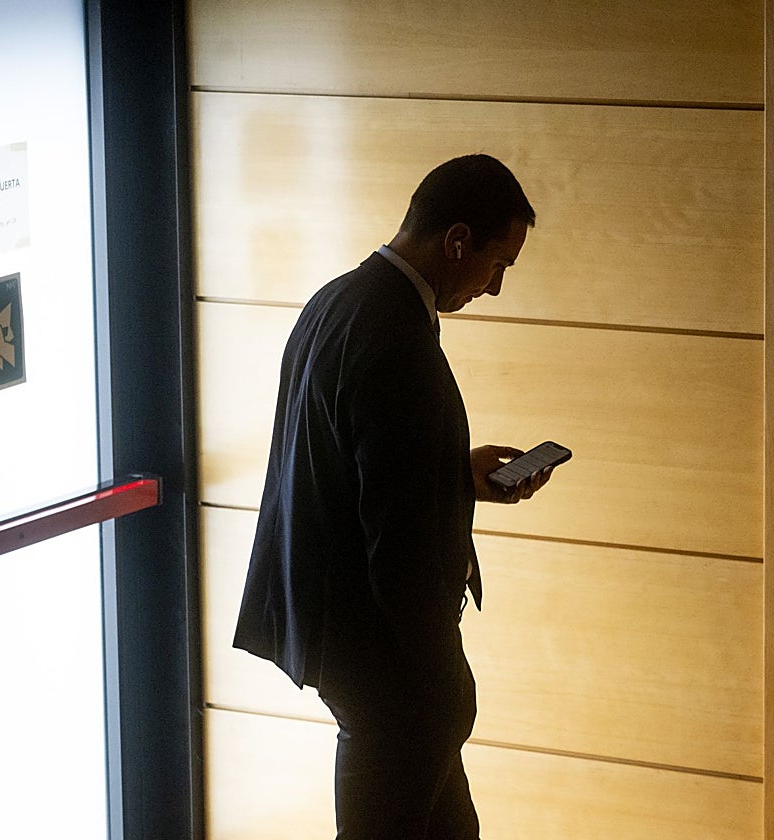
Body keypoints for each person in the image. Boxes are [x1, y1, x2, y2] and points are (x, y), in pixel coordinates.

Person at [233, 154, 554, 840]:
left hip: (343, 638)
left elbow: (352, 465)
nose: (494, 288)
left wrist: (455, 475)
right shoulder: (397, 338)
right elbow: (396, 542)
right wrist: (439, 673)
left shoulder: (341, 300)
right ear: (458, 239)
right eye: (499, 265)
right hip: (385, 663)